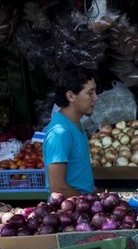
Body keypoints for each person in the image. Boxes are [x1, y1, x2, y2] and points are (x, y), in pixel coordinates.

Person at [43, 64, 98, 198]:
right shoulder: (59, 133)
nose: (95, 98)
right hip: (68, 213)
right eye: (90, 93)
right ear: (71, 96)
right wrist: (89, 202)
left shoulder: (77, 125)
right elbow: (57, 189)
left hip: (82, 208)